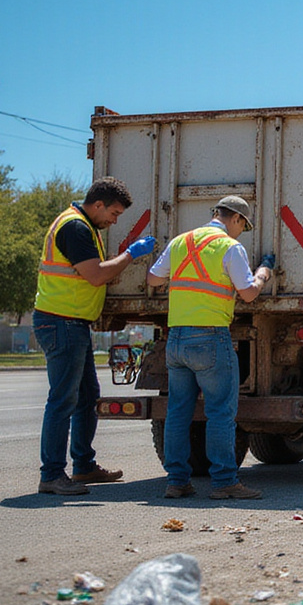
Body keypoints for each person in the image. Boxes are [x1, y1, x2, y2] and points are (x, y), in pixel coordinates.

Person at [147, 195, 274, 500]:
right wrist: (263, 274)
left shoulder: (180, 242)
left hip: (176, 339)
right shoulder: (230, 247)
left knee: (178, 413)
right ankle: (224, 482)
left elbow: (153, 279)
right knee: (219, 413)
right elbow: (247, 294)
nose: (241, 231)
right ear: (237, 219)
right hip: (211, 339)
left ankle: (176, 481)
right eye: (243, 226)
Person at [35, 176, 155, 496]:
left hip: (73, 324)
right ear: (98, 205)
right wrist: (131, 254)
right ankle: (51, 475)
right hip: (61, 323)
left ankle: (84, 466)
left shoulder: (84, 227)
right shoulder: (75, 227)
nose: (114, 220)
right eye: (113, 213)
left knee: (87, 397)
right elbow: (96, 275)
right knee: (63, 400)